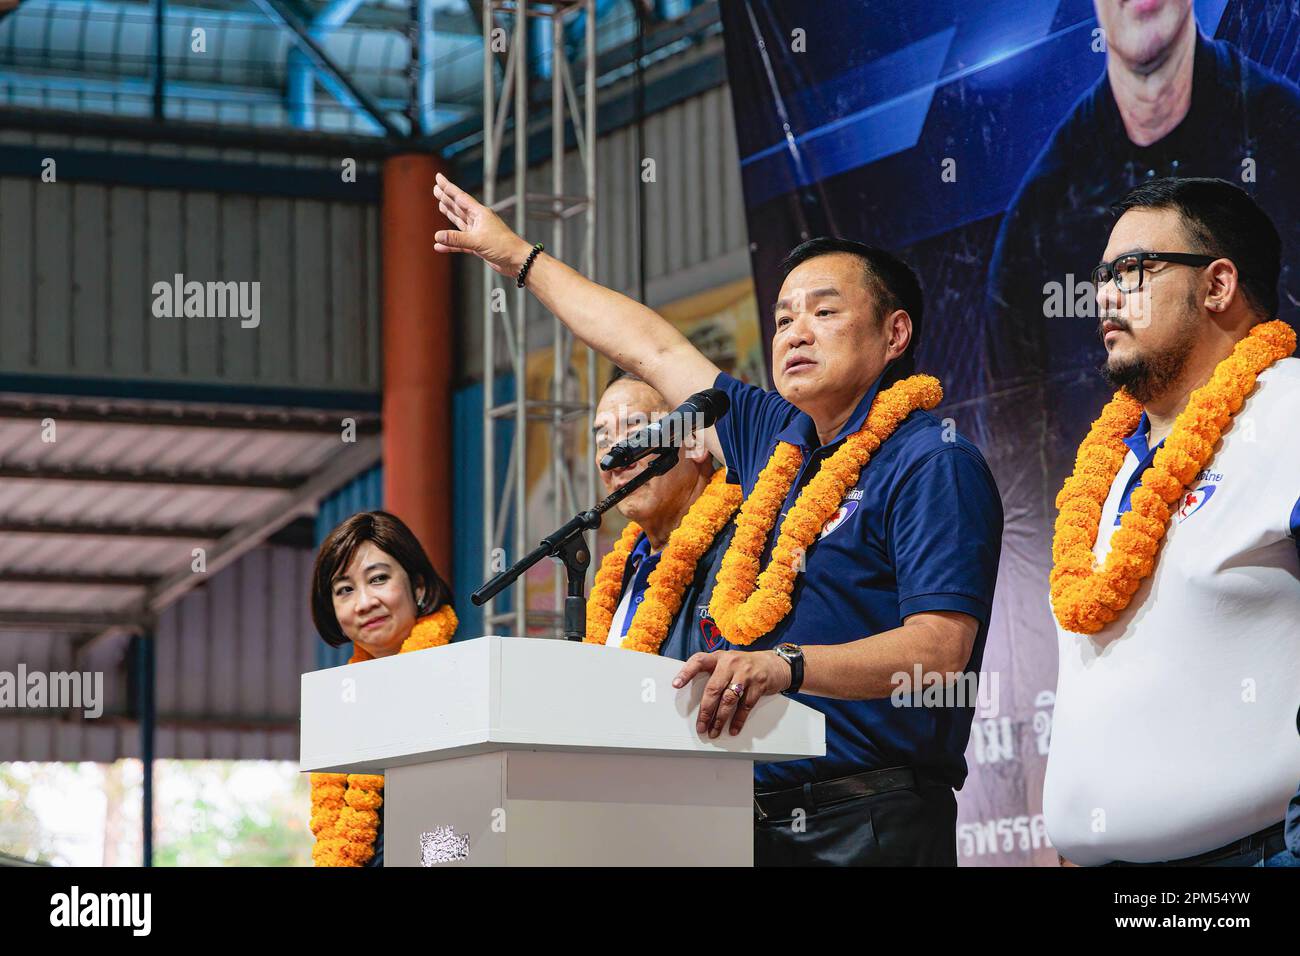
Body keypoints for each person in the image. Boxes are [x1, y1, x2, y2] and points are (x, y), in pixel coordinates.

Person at [434, 175, 1003, 865]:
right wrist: (519, 258)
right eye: (784, 317)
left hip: (870, 818)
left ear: (895, 334)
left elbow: (940, 653)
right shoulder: (778, 442)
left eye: (823, 313)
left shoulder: (929, 460)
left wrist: (786, 666)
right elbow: (653, 350)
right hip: (748, 823)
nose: (795, 332)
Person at [1043, 177, 1300, 866]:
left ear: (1217, 286)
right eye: (1101, 277)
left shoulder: (1290, 412)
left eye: (1132, 271)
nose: (1104, 295)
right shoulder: (1110, 465)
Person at [307, 510, 458, 867]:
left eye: (377, 579)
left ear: (417, 586)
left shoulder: (462, 675)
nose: (364, 603)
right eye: (345, 590)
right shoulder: (340, 699)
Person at [587, 366, 741, 658]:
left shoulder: (749, 543)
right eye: (604, 441)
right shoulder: (622, 572)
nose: (615, 459)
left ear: (695, 440)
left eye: (636, 434)